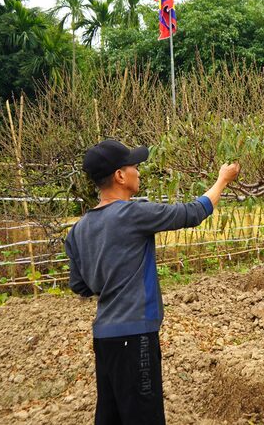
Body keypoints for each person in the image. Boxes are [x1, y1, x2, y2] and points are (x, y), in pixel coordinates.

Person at [65, 139, 240, 425]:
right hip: (135, 337)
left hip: (104, 337)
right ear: (120, 176)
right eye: (134, 166)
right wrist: (222, 180)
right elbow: (192, 212)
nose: (138, 171)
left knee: (110, 416)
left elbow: (80, 286)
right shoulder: (132, 214)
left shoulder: (78, 230)